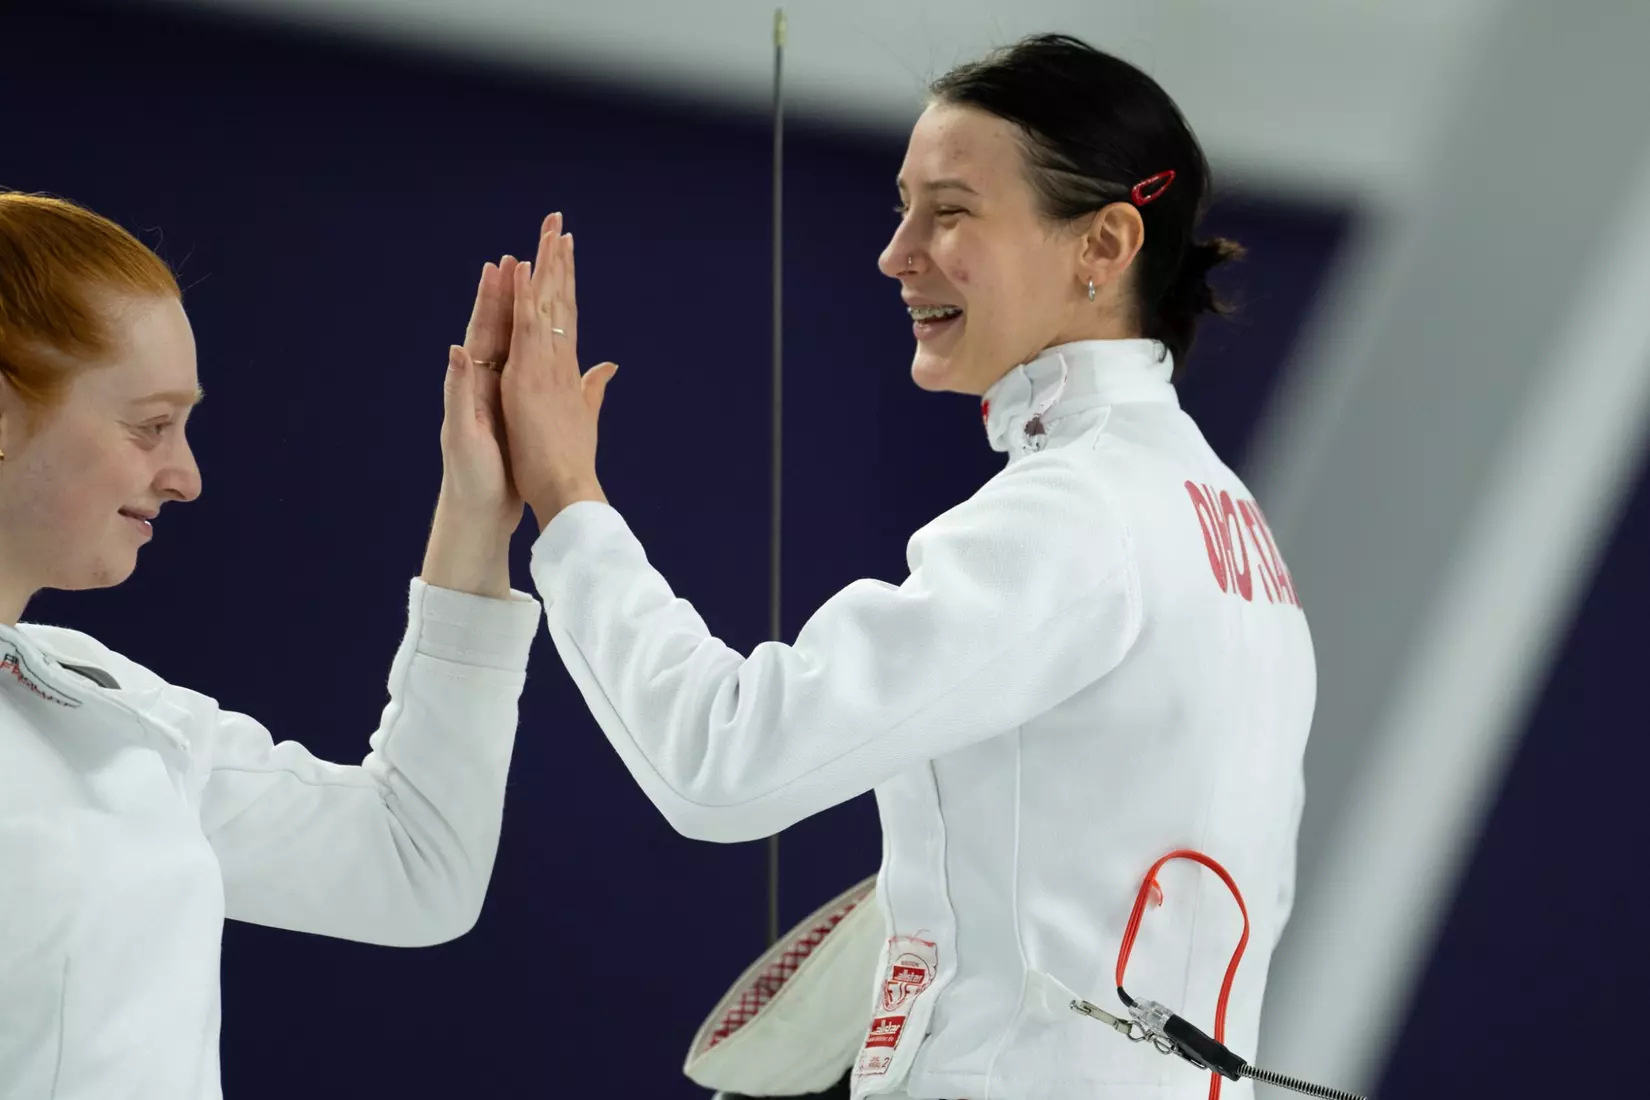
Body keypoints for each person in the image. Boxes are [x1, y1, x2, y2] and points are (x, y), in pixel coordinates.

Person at [500, 33, 1315, 1100]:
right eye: (903, 207)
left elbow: (726, 758)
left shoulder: (1076, 513)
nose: (898, 252)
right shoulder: (1224, 520)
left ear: (1104, 244)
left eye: (951, 211)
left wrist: (567, 499)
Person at [0, 192, 540, 1099]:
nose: (185, 476)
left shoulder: (103, 706)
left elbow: (413, 867)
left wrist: (478, 511)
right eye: (149, 424)